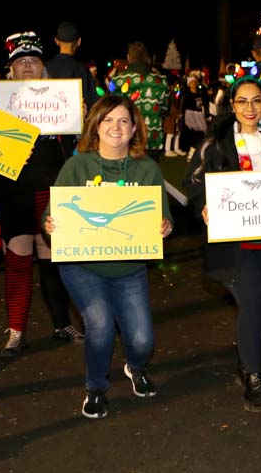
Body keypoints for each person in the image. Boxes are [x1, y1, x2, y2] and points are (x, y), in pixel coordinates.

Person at [44, 94, 173, 419]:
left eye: (124, 121)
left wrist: (164, 226)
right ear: (96, 127)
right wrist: (50, 223)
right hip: (82, 264)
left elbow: (164, 215)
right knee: (99, 324)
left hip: (129, 264)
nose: (116, 127)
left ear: (134, 130)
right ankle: (96, 387)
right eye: (108, 120)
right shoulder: (77, 165)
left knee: (142, 338)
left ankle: (135, 366)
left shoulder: (147, 169)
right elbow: (51, 215)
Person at [184, 69, 261, 412]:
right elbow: (193, 183)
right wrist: (203, 206)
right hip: (234, 241)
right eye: (242, 101)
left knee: (259, 305)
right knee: (252, 302)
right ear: (231, 105)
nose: (250, 107)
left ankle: (246, 364)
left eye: (256, 101)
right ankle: (255, 380)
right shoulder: (216, 144)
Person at [0, 32, 82, 357]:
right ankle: (16, 331)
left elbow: (78, 144)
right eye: (21, 61)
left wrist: (79, 118)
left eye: (33, 60)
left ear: (42, 65)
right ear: (11, 68)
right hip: (13, 187)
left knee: (51, 254)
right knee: (17, 255)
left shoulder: (61, 97)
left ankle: (62, 323)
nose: (27, 66)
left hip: (50, 184)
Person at [110, 42, 170, 162]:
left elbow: (109, 109)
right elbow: (165, 109)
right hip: (152, 140)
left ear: (128, 57)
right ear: (147, 58)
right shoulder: (160, 82)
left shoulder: (117, 81)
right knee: (151, 178)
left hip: (125, 139)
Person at [45, 21, 100, 141]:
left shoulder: (44, 68)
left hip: (47, 135)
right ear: (79, 42)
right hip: (73, 136)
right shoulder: (81, 70)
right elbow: (94, 105)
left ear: (56, 41)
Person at [179, 70, 209, 158]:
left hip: (199, 114)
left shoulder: (200, 92)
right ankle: (190, 152)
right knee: (191, 133)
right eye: (192, 82)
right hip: (190, 115)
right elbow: (183, 106)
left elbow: (203, 102)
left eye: (195, 82)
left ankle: (198, 151)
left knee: (201, 132)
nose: (194, 84)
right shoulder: (186, 94)